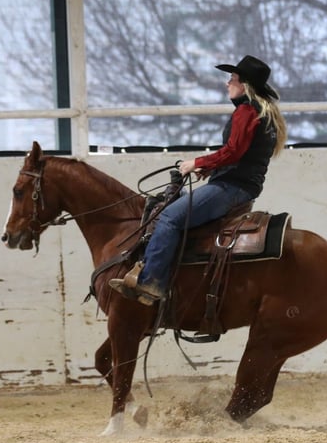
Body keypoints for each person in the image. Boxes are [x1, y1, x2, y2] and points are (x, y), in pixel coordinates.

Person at [109, 54, 288, 306]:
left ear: (244, 84)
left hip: (231, 188)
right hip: (238, 185)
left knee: (169, 218)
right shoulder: (263, 114)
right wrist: (211, 169)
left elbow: (234, 151)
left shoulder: (246, 112)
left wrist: (198, 163)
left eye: (232, 78)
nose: (228, 83)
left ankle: (151, 282)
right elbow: (242, 156)